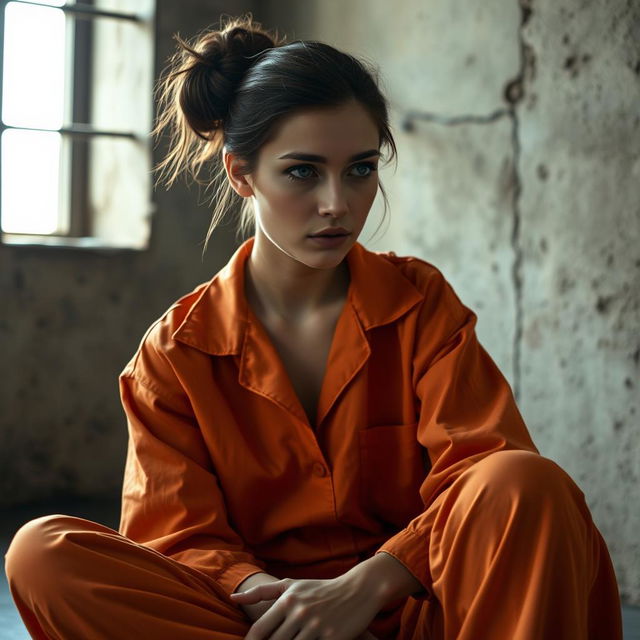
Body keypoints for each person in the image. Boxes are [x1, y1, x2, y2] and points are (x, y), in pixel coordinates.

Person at [5, 14, 623, 640]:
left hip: (421, 612)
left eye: (360, 168)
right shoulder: (174, 354)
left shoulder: (419, 301)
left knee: (527, 484)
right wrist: (273, 599)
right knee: (42, 554)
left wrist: (367, 585)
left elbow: (483, 470)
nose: (338, 203)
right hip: (264, 625)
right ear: (240, 173)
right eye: (303, 171)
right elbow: (179, 533)